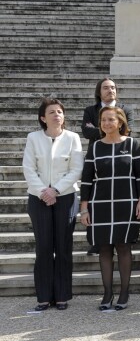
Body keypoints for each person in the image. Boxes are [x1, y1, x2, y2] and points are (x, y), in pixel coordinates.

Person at [80, 107, 140, 311]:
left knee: (124, 246)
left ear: (120, 122)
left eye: (111, 119)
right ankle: (107, 293)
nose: (107, 123)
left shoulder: (132, 144)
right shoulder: (95, 147)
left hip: (126, 203)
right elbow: (86, 180)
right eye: (103, 120)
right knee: (104, 248)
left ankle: (124, 292)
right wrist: (84, 208)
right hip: (99, 204)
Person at [23, 98, 83, 311]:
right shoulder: (33, 138)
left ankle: (62, 295)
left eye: (60, 111)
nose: (57, 115)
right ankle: (44, 296)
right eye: (52, 112)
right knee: (44, 247)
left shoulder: (72, 138)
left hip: (65, 197)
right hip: (38, 198)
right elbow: (28, 168)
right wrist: (43, 191)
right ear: (43, 118)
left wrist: (55, 189)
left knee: (63, 247)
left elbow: (76, 169)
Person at [81, 77, 135, 256]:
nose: (110, 90)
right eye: (105, 87)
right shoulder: (90, 110)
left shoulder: (126, 109)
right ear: (99, 91)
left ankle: (120, 240)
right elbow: (86, 131)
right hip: (98, 158)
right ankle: (98, 242)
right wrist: (110, 130)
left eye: (113, 87)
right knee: (100, 201)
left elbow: (128, 130)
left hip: (120, 156)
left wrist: (104, 130)